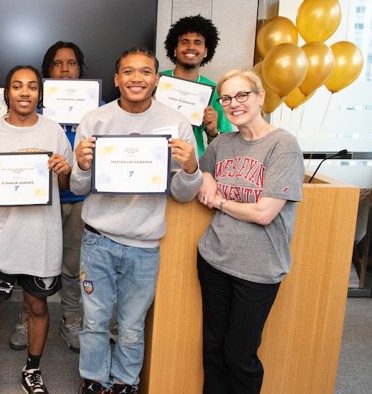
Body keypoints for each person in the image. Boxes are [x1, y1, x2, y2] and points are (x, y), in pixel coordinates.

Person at [72, 48, 202, 394]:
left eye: (145, 72)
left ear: (156, 79)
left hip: (144, 246)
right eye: (128, 72)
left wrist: (191, 168)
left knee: (131, 324)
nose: (136, 78)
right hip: (98, 239)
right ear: (116, 79)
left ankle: (125, 382)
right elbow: (77, 186)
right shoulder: (94, 120)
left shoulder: (177, 124)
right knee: (95, 320)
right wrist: (82, 165)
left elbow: (183, 194)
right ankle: (94, 379)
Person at [0, 65, 72, 394]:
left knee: (37, 306)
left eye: (32, 87)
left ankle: (33, 369)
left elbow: (64, 186)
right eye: (17, 86)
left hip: (39, 236)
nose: (25, 92)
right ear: (7, 93)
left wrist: (64, 169)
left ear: (40, 93)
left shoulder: (54, 131)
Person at [195, 70, 303, 393]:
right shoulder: (223, 143)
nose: (233, 104)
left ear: (260, 97)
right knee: (213, 349)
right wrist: (208, 179)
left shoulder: (283, 145)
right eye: (226, 98)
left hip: (258, 270)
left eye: (242, 95)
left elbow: (264, 212)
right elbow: (199, 172)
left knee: (240, 355)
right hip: (214, 260)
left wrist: (220, 202)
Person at [9, 40, 88, 354]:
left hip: (78, 198)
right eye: (58, 63)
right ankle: (27, 319)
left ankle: (70, 319)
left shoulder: (94, 109)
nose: (65, 69)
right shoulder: (32, 109)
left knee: (72, 266)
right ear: (48, 70)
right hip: (39, 199)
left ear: (80, 69)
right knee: (32, 262)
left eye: (71, 63)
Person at [161, 14, 232, 157]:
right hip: (155, 158)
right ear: (175, 49)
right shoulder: (156, 81)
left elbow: (224, 147)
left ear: (206, 51)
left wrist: (212, 131)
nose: (191, 47)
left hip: (194, 164)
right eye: (185, 42)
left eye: (197, 42)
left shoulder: (215, 91)